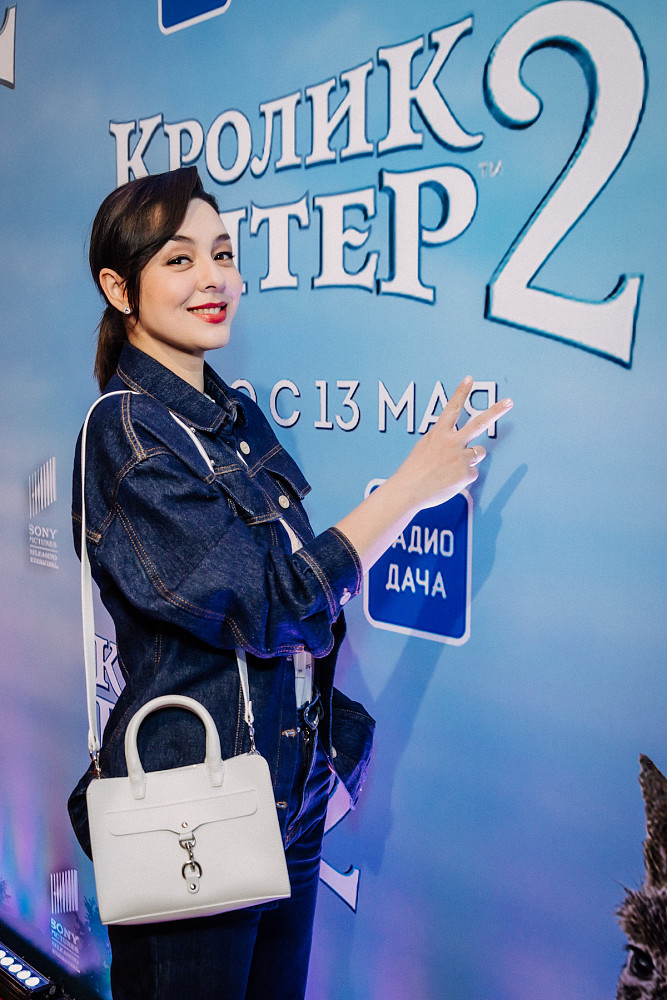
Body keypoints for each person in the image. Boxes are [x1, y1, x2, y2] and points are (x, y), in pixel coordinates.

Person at [69, 166, 513, 1000]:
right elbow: (275, 601)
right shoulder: (124, 430)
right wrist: (408, 489)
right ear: (118, 288)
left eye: (222, 254)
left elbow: (300, 597)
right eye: (178, 259)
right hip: (196, 803)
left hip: (290, 788)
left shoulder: (233, 416)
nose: (213, 278)